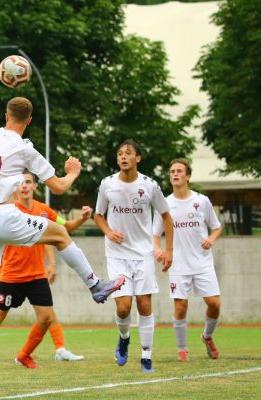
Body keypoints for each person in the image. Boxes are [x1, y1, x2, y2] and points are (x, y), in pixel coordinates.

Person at [0, 97, 125, 383]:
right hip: (3, 216)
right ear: (29, 120)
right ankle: (96, 285)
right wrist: (73, 172)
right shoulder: (24, 148)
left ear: (5, 114)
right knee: (60, 234)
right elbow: (57, 187)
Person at [0, 172, 87, 366]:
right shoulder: (7, 210)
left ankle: (45, 351)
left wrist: (83, 219)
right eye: (20, 183)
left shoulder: (43, 210)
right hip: (7, 271)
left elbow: (61, 230)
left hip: (35, 275)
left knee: (47, 315)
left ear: (35, 186)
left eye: (28, 182)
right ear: (15, 188)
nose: (24, 186)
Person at [94, 139, 173, 373]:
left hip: (144, 254)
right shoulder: (107, 184)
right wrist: (108, 231)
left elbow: (166, 217)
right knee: (123, 307)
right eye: (120, 154)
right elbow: (98, 215)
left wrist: (169, 250)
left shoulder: (150, 185)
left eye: (128, 153)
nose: (123, 157)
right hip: (117, 255)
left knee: (145, 303)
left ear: (138, 158)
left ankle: (146, 356)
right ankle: (124, 337)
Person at [153, 159, 223, 361]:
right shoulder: (165, 204)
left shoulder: (201, 201)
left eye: (179, 171)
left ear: (188, 176)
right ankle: (182, 350)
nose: (175, 174)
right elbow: (155, 233)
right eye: (172, 171)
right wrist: (158, 250)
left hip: (202, 263)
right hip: (178, 264)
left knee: (214, 303)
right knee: (180, 307)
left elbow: (216, 226)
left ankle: (207, 336)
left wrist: (211, 238)